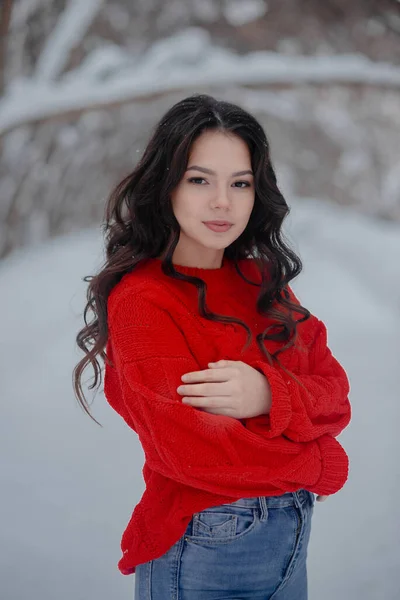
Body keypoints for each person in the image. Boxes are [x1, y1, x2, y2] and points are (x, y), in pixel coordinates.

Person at [74, 94, 351, 599]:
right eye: (199, 179)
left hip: (289, 538)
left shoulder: (262, 281)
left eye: (239, 183)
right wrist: (319, 463)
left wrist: (268, 395)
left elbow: (334, 392)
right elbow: (195, 453)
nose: (222, 201)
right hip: (204, 545)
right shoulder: (144, 298)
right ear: (167, 185)